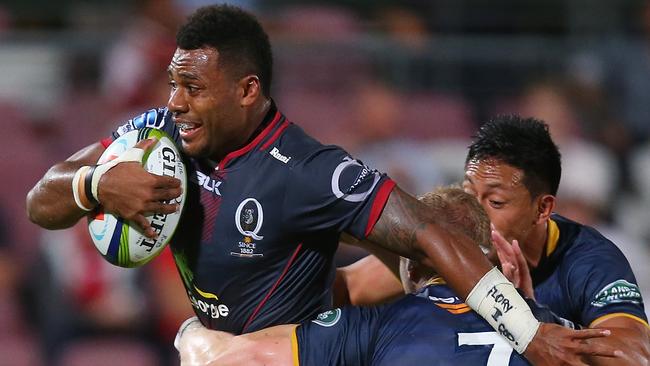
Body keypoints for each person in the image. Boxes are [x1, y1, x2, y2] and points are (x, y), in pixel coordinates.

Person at [26, 5, 615, 363]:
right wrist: (96, 185)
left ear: (248, 89)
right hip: (222, 351)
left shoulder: (310, 172)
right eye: (173, 83)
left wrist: (527, 333)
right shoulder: (158, 136)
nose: (175, 101)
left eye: (193, 88)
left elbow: (430, 231)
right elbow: (41, 200)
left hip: (287, 356)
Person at [174, 188, 612, 366]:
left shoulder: (377, 326)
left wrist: (191, 332)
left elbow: (230, 360)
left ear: (411, 262)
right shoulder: (557, 333)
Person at [337, 115, 649, 364]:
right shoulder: (451, 245)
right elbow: (347, 289)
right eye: (469, 193)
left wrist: (535, 319)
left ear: (543, 209)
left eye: (496, 202)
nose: (475, 211)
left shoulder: (587, 260)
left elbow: (631, 356)